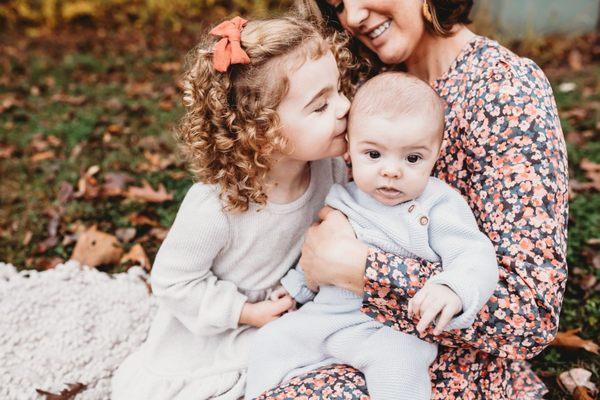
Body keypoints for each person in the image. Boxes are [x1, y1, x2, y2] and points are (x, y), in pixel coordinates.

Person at [255, 1, 569, 399]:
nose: (353, 17)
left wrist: (361, 269)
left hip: (447, 358)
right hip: (333, 319)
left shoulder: (504, 89)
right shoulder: (364, 80)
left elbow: (530, 316)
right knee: (261, 353)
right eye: (338, 4)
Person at [110, 15, 353, 400]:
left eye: (340, 90)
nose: (344, 107)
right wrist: (246, 312)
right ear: (260, 132)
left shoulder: (331, 169)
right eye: (320, 105)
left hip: (286, 316)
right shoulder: (217, 206)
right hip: (217, 335)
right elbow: (173, 283)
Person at [246, 72, 499, 400]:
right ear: (350, 149)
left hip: (388, 330)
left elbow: (474, 255)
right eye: (374, 155)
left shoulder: (438, 204)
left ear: (435, 154)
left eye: (412, 158)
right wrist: (295, 290)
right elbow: (315, 257)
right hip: (327, 316)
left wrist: (453, 288)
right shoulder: (343, 196)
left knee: (400, 365)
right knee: (271, 341)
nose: (391, 171)